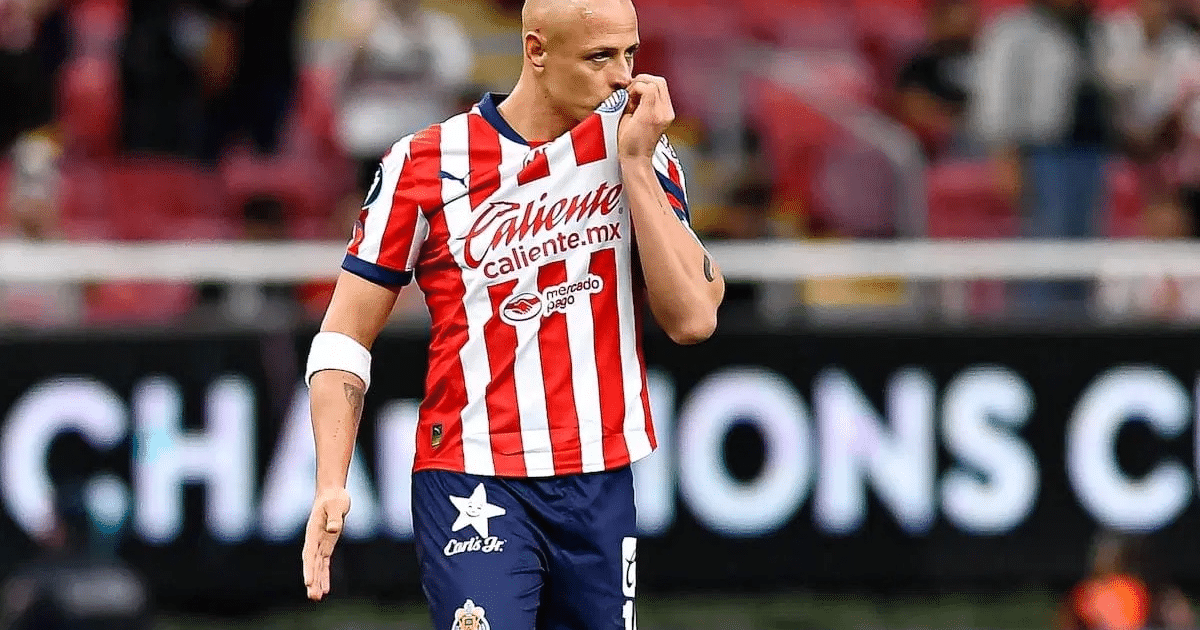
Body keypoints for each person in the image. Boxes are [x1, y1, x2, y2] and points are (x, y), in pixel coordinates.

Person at [299, 1, 725, 630]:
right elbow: (343, 335)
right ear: (536, 50)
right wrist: (330, 481)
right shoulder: (425, 163)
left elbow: (694, 318)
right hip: (472, 477)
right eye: (600, 57)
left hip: (599, 476)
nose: (623, 76)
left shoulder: (638, 146)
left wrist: (636, 164)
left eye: (630, 54)